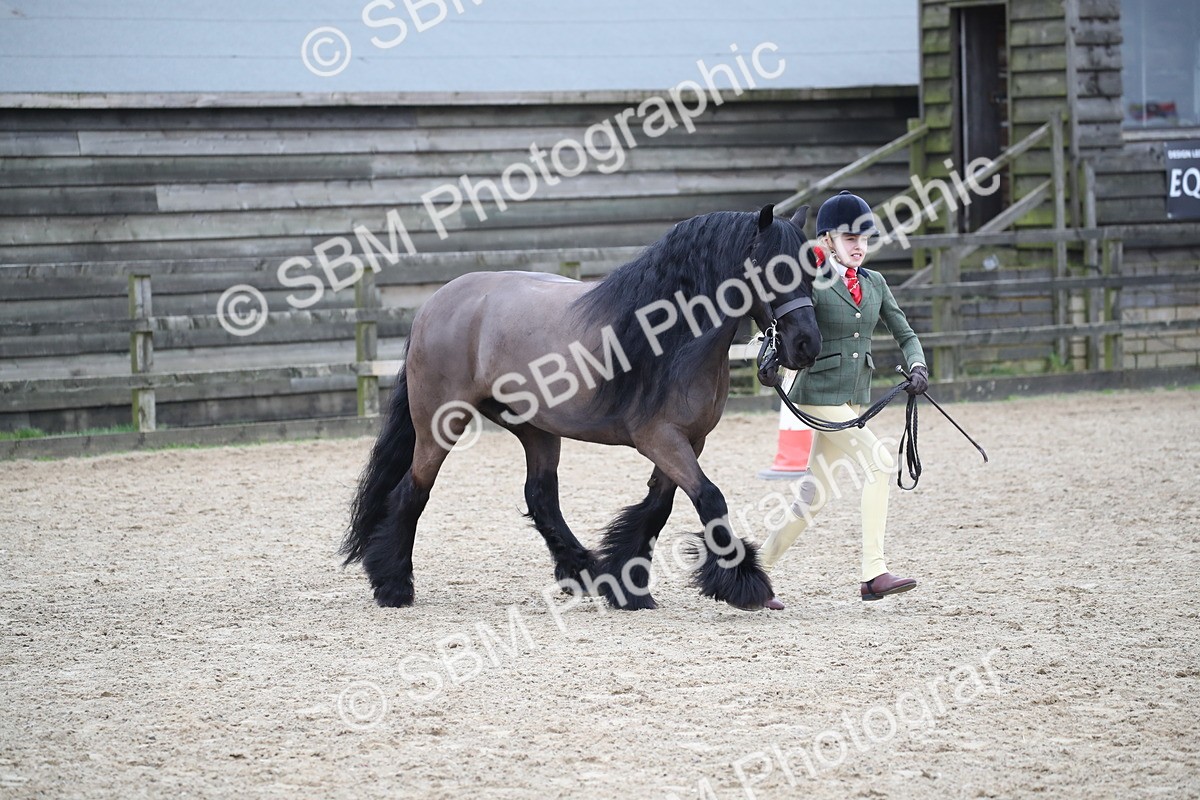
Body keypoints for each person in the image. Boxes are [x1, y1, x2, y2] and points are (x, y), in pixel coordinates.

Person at [760, 191, 928, 609]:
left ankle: (754, 574)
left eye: (865, 239)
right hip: (817, 394)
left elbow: (904, 332)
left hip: (854, 399)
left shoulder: (875, 284)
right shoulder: (813, 281)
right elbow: (787, 328)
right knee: (880, 461)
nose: (859, 246)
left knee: (811, 500)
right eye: (850, 238)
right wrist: (770, 361)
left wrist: (918, 365)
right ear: (828, 241)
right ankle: (874, 573)